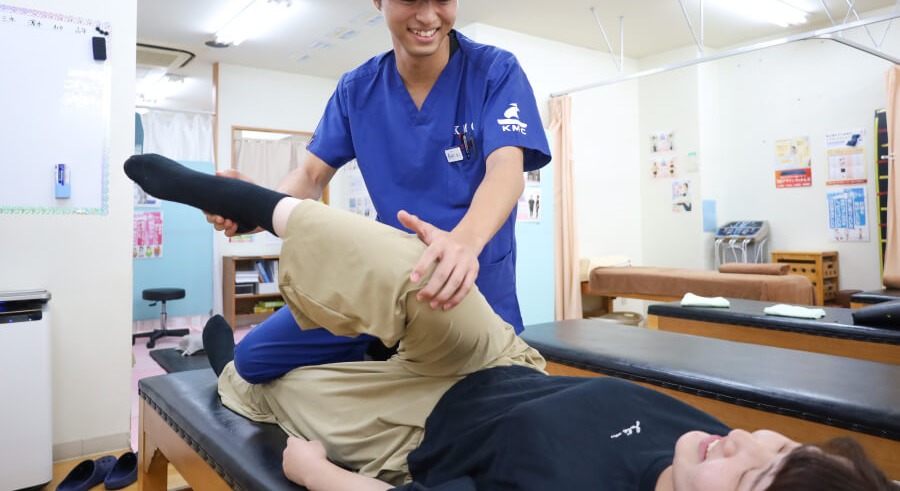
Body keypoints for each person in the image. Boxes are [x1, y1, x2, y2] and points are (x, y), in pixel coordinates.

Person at [125, 154, 892, 491]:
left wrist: (314, 473)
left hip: (419, 427)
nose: (748, 438)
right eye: (779, 443)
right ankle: (254, 203)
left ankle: (225, 360)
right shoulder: (704, 442)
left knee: (271, 391)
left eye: (752, 474)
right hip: (508, 363)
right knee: (419, 271)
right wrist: (457, 249)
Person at [206, 0, 551, 383]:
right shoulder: (357, 90)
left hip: (471, 284)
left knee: (475, 403)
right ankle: (372, 351)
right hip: (387, 282)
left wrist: (464, 243)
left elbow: (506, 171)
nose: (429, 16)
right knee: (251, 361)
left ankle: (384, 363)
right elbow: (309, 177)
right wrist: (254, 205)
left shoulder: (494, 71)